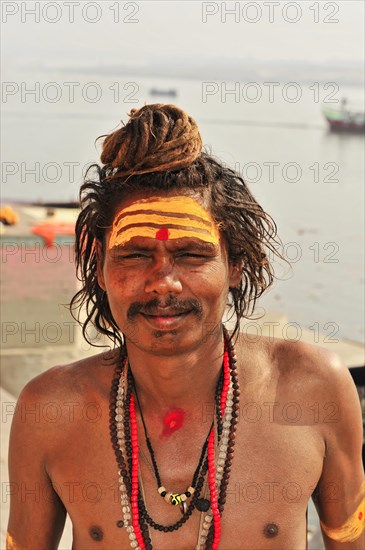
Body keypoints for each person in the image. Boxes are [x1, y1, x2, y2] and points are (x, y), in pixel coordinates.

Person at [7, 104, 364, 550]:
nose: (163, 283)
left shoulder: (311, 387)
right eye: (135, 255)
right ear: (99, 268)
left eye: (192, 255)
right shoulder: (51, 410)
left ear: (234, 264)